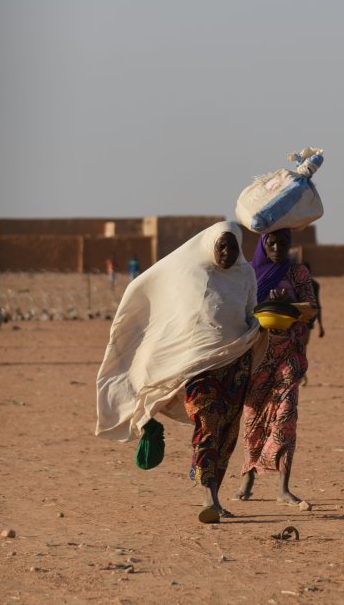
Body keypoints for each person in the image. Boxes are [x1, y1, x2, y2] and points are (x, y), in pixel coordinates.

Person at [95, 222, 267, 524]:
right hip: (198, 366)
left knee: (227, 432)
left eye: (232, 246)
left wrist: (264, 322)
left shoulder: (245, 273)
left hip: (236, 361)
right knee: (208, 423)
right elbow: (172, 312)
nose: (226, 252)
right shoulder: (193, 272)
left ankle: (213, 489)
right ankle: (208, 495)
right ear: (210, 245)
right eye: (221, 245)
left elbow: (250, 311)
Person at [237, 229, 317, 507]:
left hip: (289, 354)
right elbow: (239, 309)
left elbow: (311, 309)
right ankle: (249, 473)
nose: (277, 248)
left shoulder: (298, 273)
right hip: (256, 353)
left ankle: (283, 486)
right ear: (263, 243)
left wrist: (288, 306)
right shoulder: (247, 272)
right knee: (253, 417)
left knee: (286, 417)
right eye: (272, 243)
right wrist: (264, 305)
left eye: (283, 244)